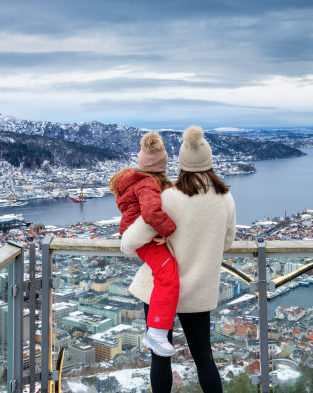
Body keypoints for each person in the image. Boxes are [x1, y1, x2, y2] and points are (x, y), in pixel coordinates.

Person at [121, 126, 236, 393]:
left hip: (161, 289)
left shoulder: (168, 197)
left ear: (181, 163)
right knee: (204, 359)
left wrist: (162, 239)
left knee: (160, 359)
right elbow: (227, 242)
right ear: (209, 161)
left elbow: (128, 243)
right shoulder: (225, 198)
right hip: (198, 292)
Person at [108, 132, 180, 357]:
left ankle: (156, 331)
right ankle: (156, 332)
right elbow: (150, 212)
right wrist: (169, 231)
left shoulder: (136, 179)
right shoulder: (148, 184)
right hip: (142, 236)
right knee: (167, 274)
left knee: (164, 272)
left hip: (136, 234)